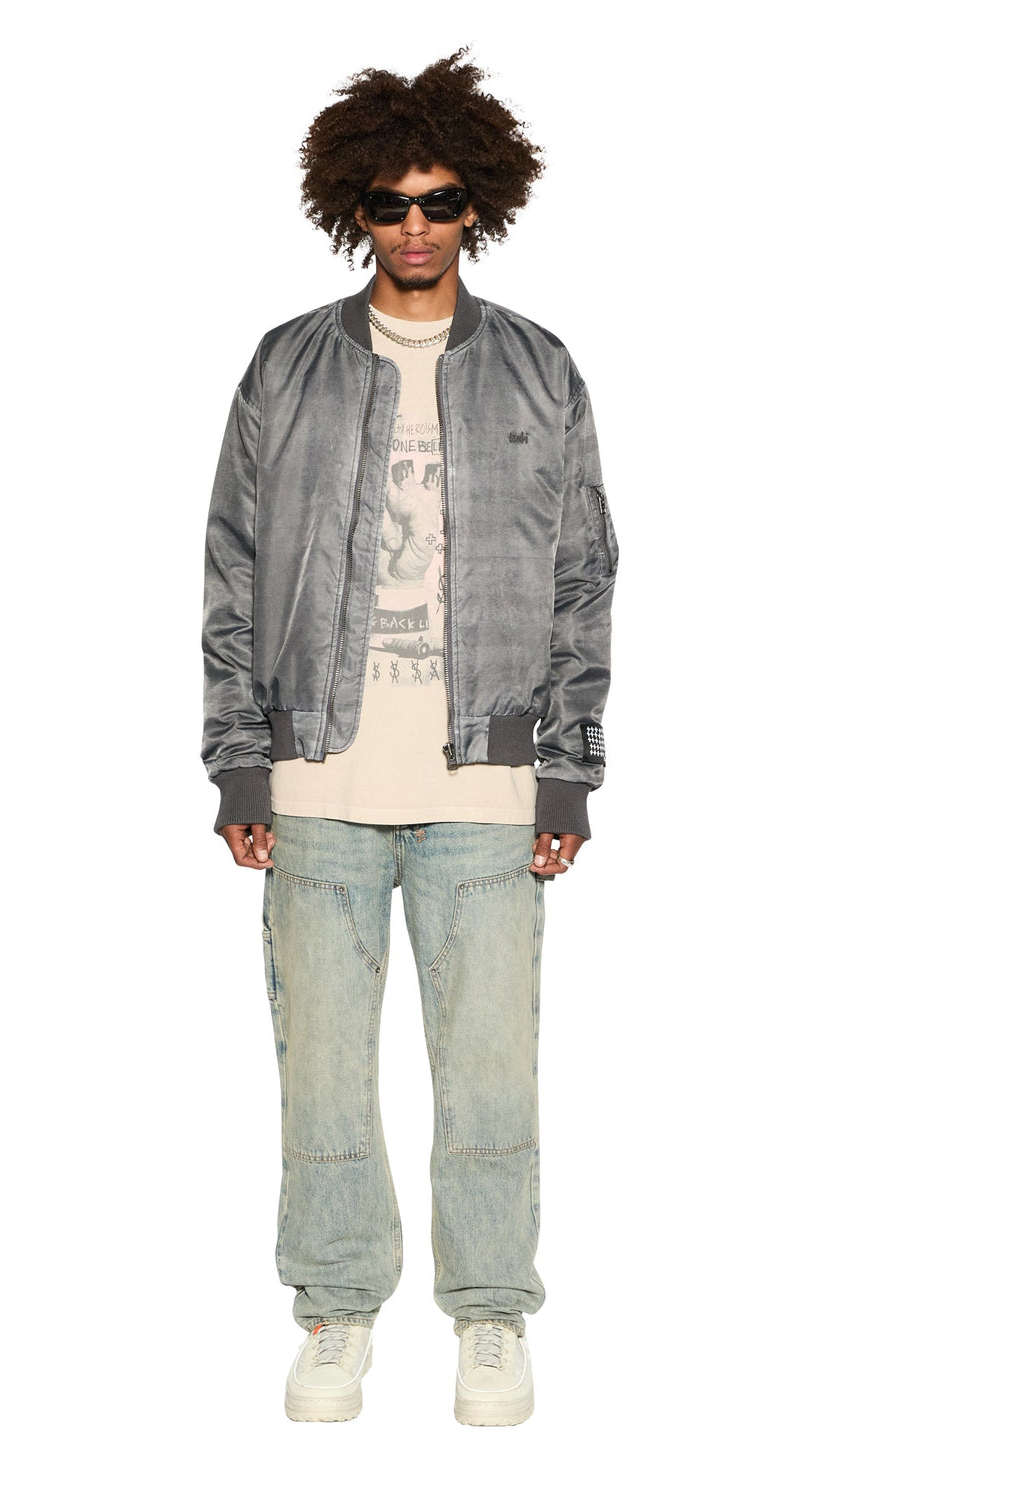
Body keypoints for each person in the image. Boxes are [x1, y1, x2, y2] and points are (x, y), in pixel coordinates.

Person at [201, 48, 618, 1425]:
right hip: (314, 774)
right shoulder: (288, 366)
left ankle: (490, 1316)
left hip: (488, 782)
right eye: (391, 203)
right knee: (322, 1071)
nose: (418, 225)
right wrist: (241, 758)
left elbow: (581, 575)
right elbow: (232, 568)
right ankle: (335, 1309)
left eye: (441, 200)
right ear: (355, 210)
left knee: (490, 1072)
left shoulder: (539, 370)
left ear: (477, 204)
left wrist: (566, 768)